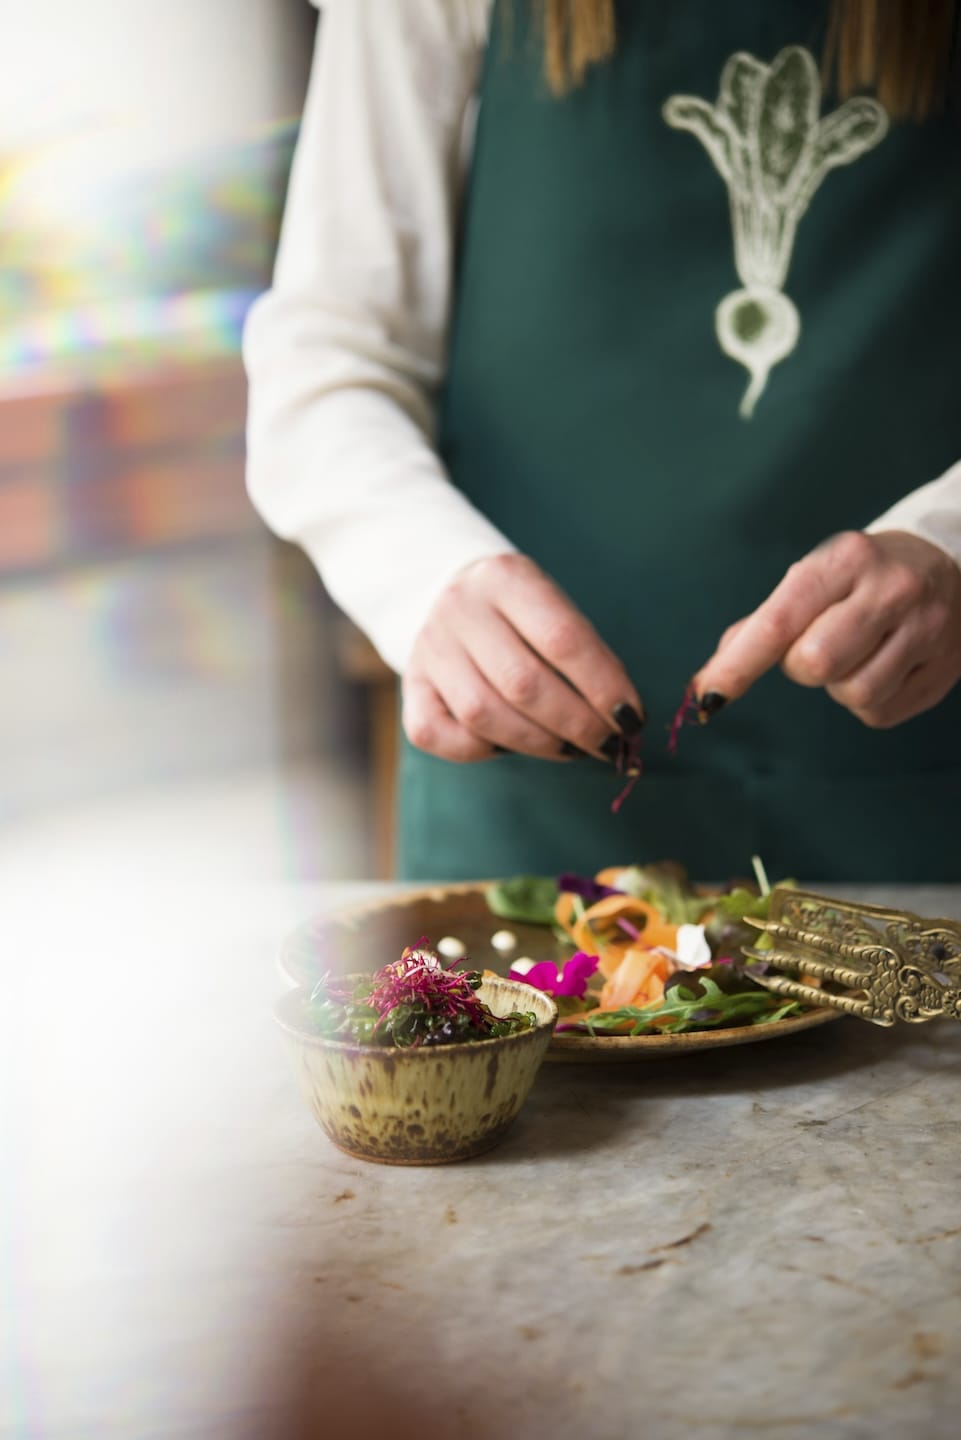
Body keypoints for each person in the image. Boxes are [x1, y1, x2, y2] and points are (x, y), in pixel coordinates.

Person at [244, 0, 961, 883]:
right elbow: (329, 356)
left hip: (920, 802)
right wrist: (425, 575)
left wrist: (949, 541)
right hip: (535, 816)